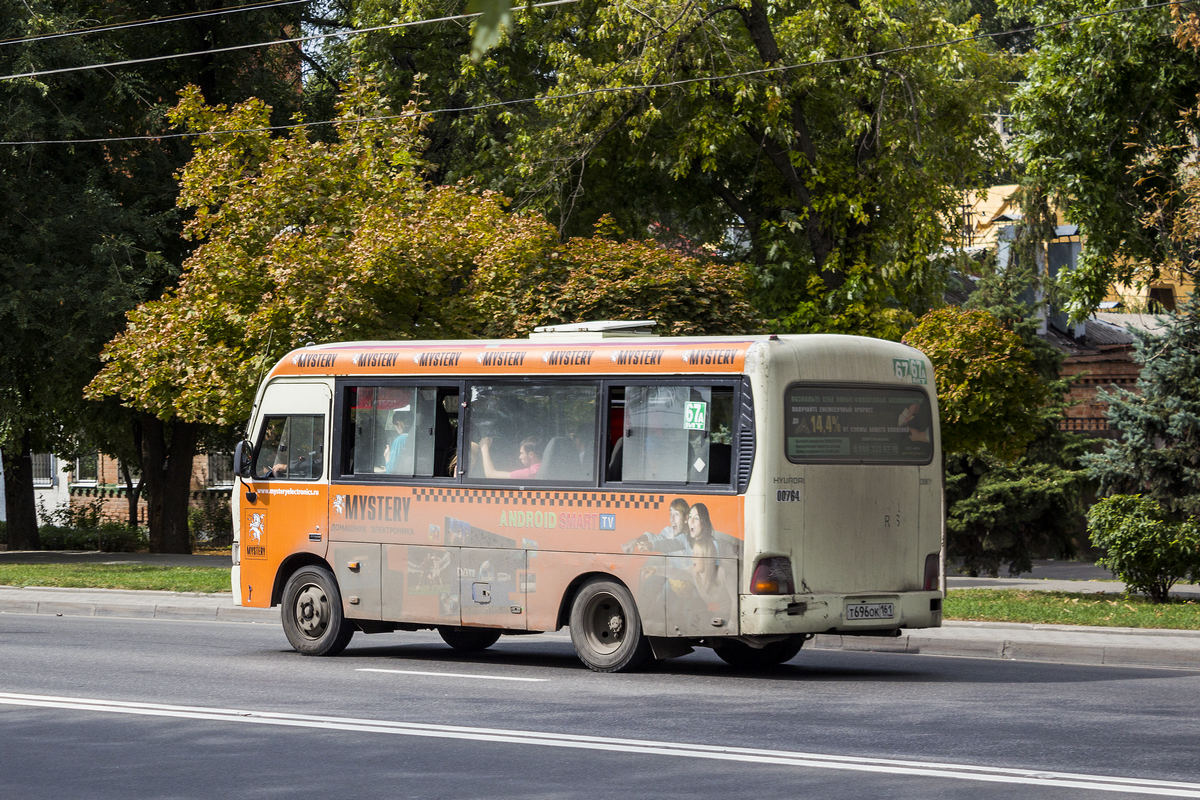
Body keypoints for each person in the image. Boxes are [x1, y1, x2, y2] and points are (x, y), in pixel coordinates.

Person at [477, 435, 542, 479]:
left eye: (522, 453)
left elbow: (490, 474)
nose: (520, 457)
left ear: (531, 455)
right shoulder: (541, 467)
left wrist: (484, 447)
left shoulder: (529, 473)